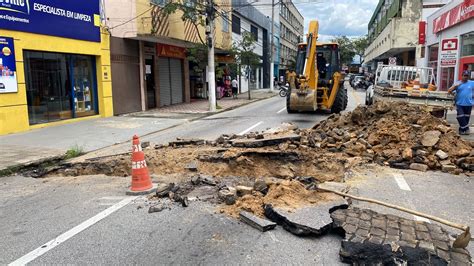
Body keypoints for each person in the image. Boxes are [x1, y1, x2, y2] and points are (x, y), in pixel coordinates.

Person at [448, 70, 474, 135]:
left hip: (469, 104)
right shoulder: (457, 83)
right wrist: (455, 86)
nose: (466, 77)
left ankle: (461, 130)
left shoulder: (472, 83)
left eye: (467, 76)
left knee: (466, 118)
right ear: (461, 76)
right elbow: (449, 91)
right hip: (459, 103)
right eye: (464, 76)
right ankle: (467, 128)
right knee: (460, 116)